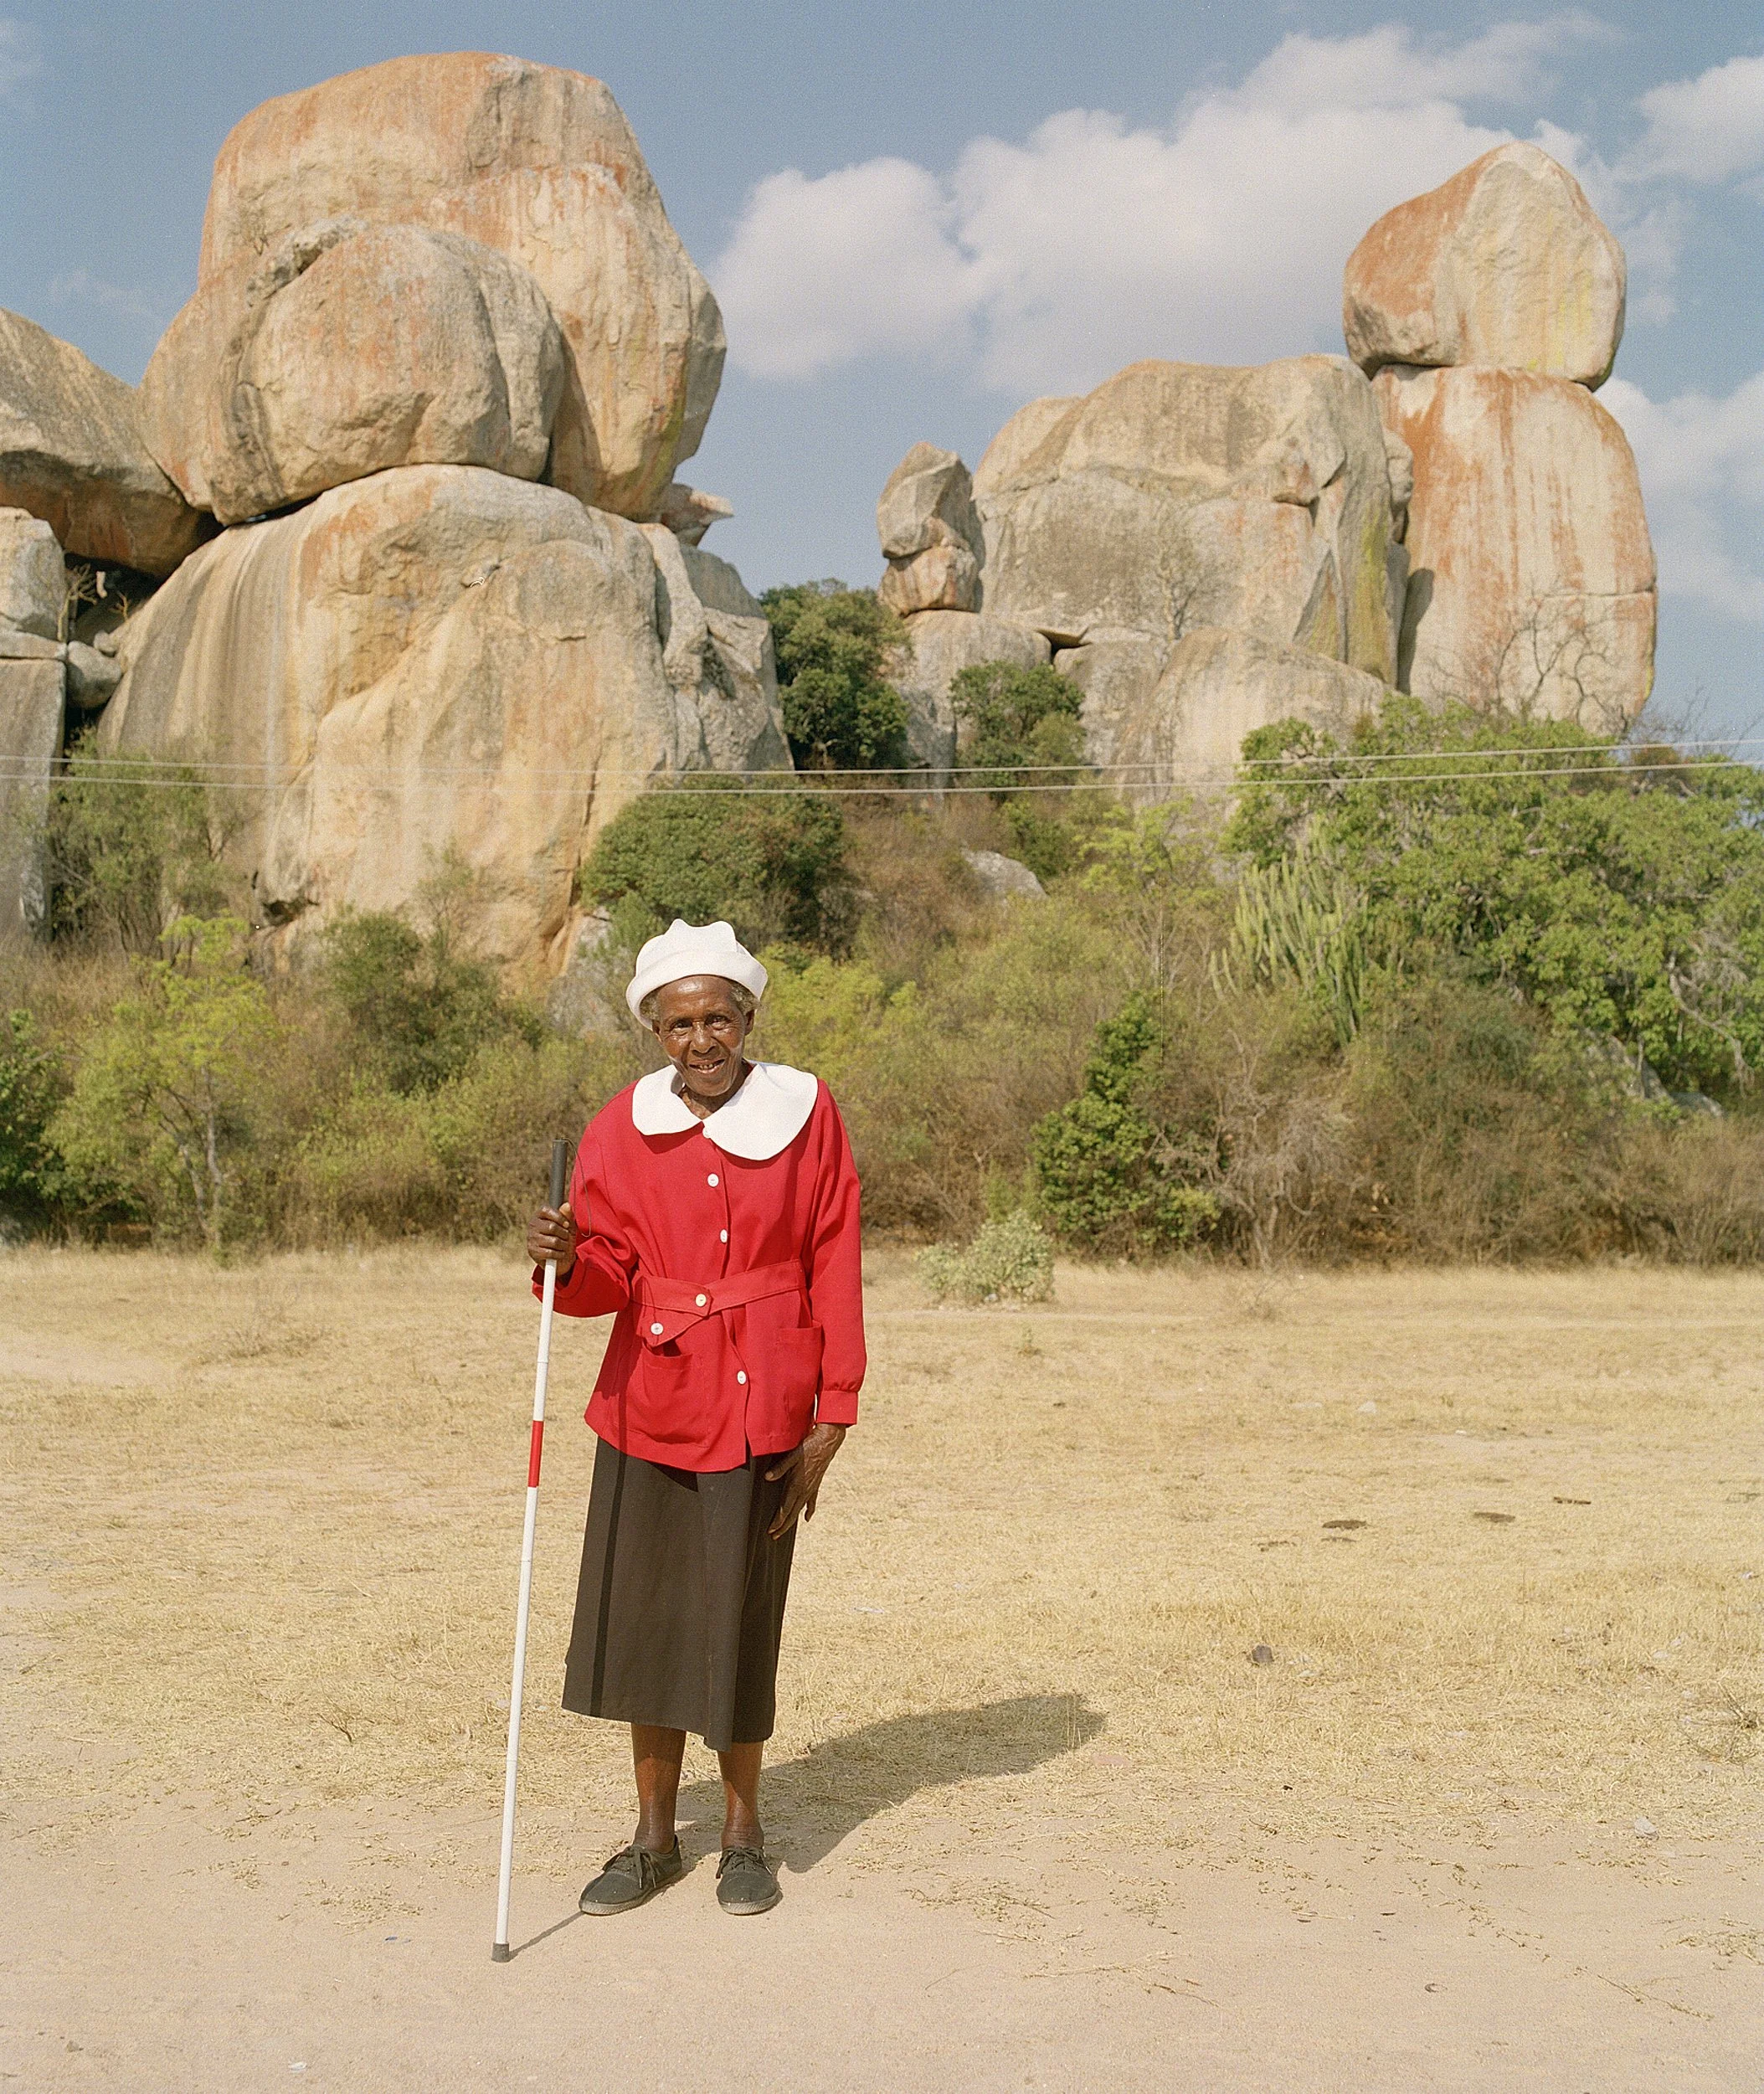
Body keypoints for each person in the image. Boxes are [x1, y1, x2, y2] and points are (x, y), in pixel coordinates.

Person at [525, 918, 864, 1918]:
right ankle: (652, 1838)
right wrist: (565, 1260)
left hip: (765, 1404)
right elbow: (607, 1276)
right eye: (679, 1024)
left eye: (718, 1017)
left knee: (739, 1619)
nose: (701, 1039)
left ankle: (744, 1835)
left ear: (747, 1016)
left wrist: (835, 1409)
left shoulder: (806, 1111)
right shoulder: (617, 1127)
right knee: (647, 1621)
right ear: (654, 1030)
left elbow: (834, 1252)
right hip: (652, 1401)